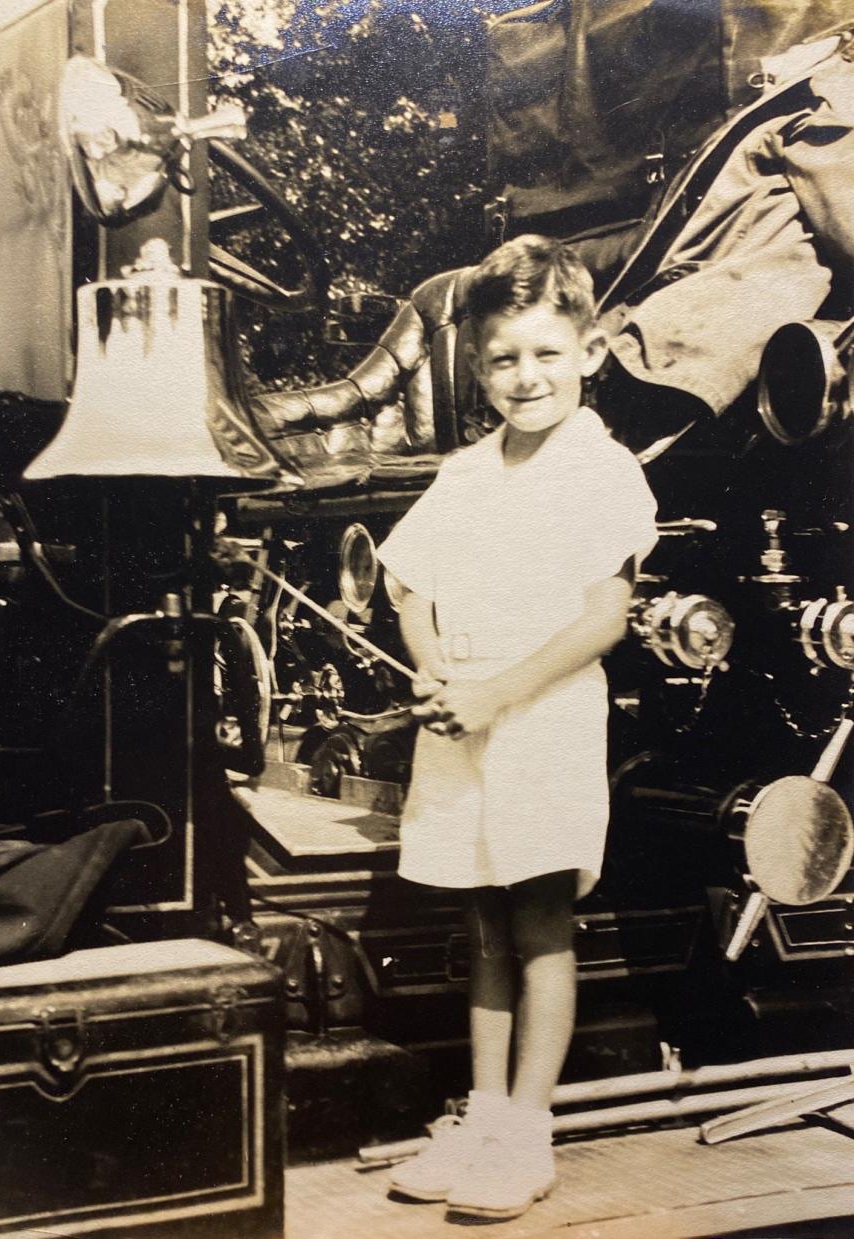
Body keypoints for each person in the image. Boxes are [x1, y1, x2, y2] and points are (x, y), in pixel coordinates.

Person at [376, 235, 659, 1221]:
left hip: (539, 722)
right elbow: (406, 583)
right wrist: (433, 661)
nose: (524, 377)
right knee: (481, 919)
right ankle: (484, 1113)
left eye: (546, 352)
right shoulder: (464, 473)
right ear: (479, 366)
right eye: (502, 358)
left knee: (539, 923)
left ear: (590, 347)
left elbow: (603, 618)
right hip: (462, 722)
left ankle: (527, 1133)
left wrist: (498, 692)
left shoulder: (603, 470)